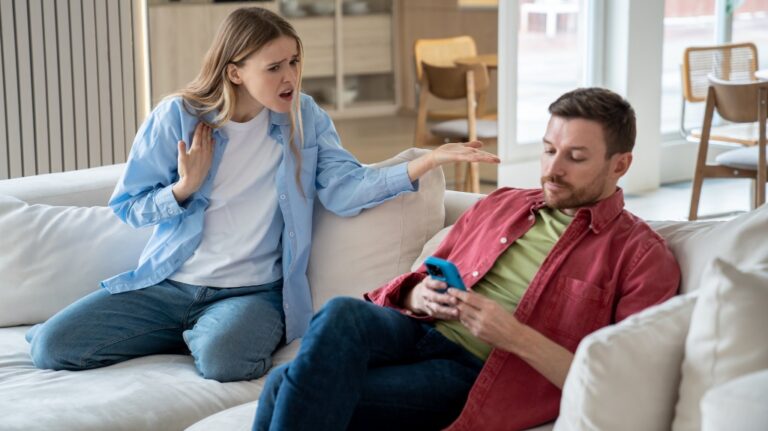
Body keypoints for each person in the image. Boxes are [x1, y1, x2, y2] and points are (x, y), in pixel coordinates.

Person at [25, 7, 498, 383]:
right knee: (52, 347)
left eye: (294, 62)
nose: (290, 77)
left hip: (251, 294)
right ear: (235, 72)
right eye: (274, 67)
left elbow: (344, 189)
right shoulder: (178, 118)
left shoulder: (304, 118)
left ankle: (204, 333)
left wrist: (428, 161)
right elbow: (127, 207)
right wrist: (184, 188)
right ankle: (185, 330)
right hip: (169, 285)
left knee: (226, 362)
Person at [253, 87, 682, 430]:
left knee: (281, 386)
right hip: (418, 329)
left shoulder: (640, 256)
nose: (553, 169)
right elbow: (422, 274)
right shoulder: (505, 204)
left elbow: (623, 384)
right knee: (341, 312)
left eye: (576, 157)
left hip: (477, 371)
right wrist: (418, 295)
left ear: (620, 165)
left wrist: (511, 334)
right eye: (549, 149)